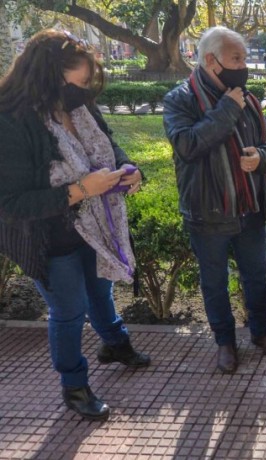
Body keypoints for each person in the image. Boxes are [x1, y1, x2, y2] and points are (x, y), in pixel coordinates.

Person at [0, 29, 149, 421]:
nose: (85, 91)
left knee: (101, 292)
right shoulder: (12, 121)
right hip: (47, 237)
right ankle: (74, 385)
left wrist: (130, 170)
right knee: (68, 310)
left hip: (95, 225)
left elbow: (109, 145)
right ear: (49, 75)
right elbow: (11, 205)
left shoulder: (79, 107)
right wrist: (80, 190)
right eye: (80, 82)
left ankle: (114, 343)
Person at [162, 26, 266, 374]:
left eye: (244, 58)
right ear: (211, 60)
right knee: (214, 282)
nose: (244, 65)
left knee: (257, 276)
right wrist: (228, 108)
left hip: (249, 209)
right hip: (208, 212)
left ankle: (261, 334)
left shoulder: (247, 98)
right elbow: (188, 145)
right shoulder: (180, 100)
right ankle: (225, 342)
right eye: (237, 59)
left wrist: (262, 158)